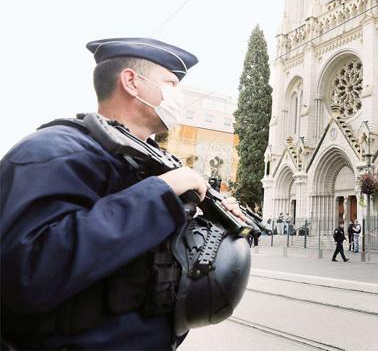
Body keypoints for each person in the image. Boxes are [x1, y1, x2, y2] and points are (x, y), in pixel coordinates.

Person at [0, 37, 248, 349]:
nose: (178, 96)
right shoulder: (53, 151)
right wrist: (161, 194)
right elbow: (27, 273)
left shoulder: (156, 165)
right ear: (131, 82)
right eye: (171, 83)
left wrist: (215, 225)